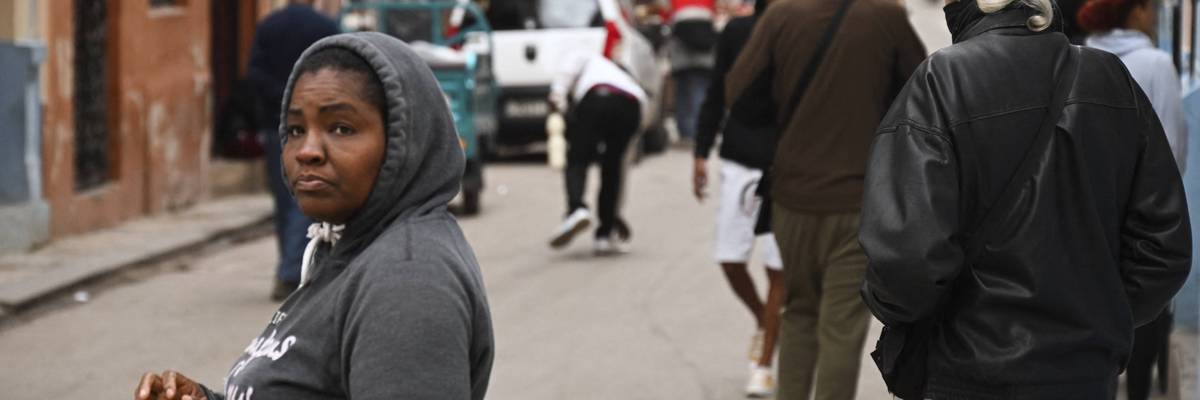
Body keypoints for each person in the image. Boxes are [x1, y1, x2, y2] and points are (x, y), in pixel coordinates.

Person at [134, 32, 495, 399]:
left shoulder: (408, 279)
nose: (307, 151)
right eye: (295, 130)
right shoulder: (355, 247)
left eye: (341, 128)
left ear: (404, 140)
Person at [860, 0, 1192, 398]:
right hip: (1084, 374)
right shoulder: (1109, 78)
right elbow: (1163, 247)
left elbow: (907, 260)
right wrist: (1100, 319)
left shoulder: (941, 80)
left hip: (967, 372)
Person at [724, 0, 927, 398]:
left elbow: (739, 93)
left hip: (792, 197)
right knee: (842, 327)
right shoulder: (885, 16)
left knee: (798, 311)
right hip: (859, 201)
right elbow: (920, 94)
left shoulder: (781, 14)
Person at [1078, 1, 1187, 398]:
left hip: (1089, 207)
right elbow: (1173, 148)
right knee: (1147, 304)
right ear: (1137, 12)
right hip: (1140, 206)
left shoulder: (1083, 54)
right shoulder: (1156, 63)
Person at [692, 0, 783, 396]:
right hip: (739, 158)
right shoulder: (735, 32)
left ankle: (763, 364)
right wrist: (699, 151)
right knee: (730, 258)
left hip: (786, 162)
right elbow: (716, 91)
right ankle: (764, 321)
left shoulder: (801, 30)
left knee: (778, 269)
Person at [245, 0, 341, 301]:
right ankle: (292, 271)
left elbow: (255, 73)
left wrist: (280, 102)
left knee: (285, 197)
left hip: (278, 123)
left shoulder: (269, 25)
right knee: (308, 191)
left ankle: (292, 267)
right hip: (317, 126)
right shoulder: (324, 27)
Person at [547, 50, 647, 255]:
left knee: (577, 158)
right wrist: (616, 213)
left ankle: (577, 209)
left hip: (597, 98)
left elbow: (567, 69)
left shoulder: (590, 58)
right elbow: (640, 122)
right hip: (632, 105)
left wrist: (558, 98)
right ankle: (605, 233)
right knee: (613, 169)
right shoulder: (627, 80)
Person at [668, 0, 717, 145]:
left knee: (684, 94)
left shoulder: (680, 9)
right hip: (704, 57)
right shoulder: (706, 8)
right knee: (700, 93)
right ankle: (699, 133)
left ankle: (687, 133)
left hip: (683, 58)